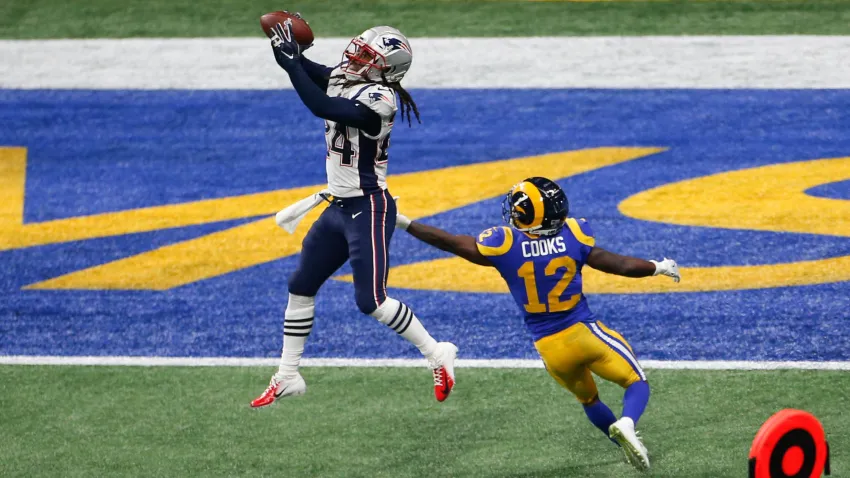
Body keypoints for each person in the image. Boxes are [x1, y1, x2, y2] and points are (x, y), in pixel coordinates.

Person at [395, 177, 681, 471]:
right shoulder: (574, 234)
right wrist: (657, 267)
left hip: (550, 348)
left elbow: (449, 242)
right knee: (636, 382)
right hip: (584, 332)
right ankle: (628, 423)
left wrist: (404, 222)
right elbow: (617, 264)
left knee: (590, 399)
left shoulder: (504, 245)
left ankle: (623, 440)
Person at [251, 17, 457, 408]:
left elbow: (320, 105)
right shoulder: (348, 79)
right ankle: (288, 374)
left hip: (369, 207)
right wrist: (283, 47)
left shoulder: (381, 99)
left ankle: (437, 352)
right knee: (301, 284)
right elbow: (302, 69)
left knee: (372, 300)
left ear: (384, 69)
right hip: (339, 205)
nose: (354, 57)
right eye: (359, 49)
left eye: (366, 55)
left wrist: (295, 63)